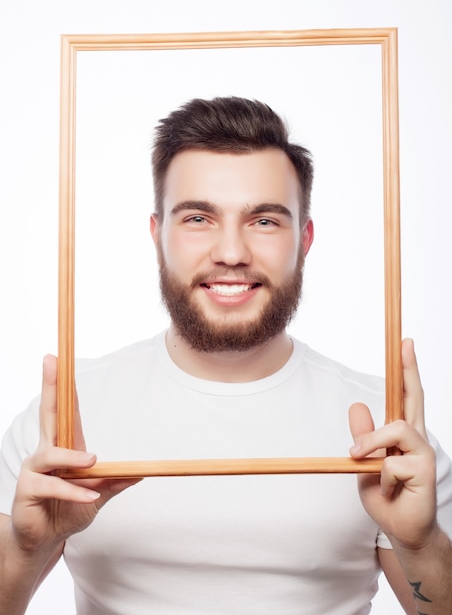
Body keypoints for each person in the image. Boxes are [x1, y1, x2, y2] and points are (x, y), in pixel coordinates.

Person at [0, 96, 451, 615]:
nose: (232, 252)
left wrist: (419, 545)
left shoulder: (387, 431)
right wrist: (25, 549)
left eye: (264, 221)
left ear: (304, 239)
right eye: (198, 218)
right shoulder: (65, 422)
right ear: (158, 236)